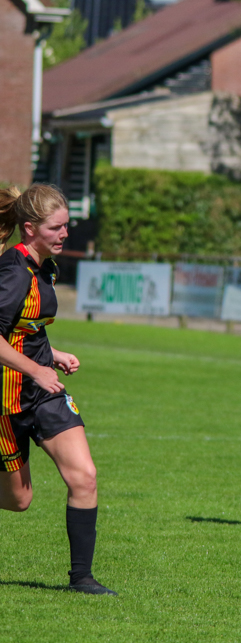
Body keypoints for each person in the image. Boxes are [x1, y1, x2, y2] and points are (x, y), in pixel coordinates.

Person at [0, 185, 115, 595]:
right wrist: (36, 369)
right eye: (56, 227)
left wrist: (53, 354)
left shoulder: (46, 266)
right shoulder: (13, 273)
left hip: (43, 393)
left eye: (67, 225)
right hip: (7, 400)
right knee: (19, 501)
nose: (65, 233)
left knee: (85, 476)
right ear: (30, 228)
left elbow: (26, 329)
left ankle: (82, 578)